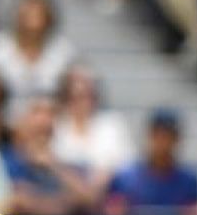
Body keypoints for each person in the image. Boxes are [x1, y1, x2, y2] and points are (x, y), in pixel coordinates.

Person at [0, 0, 78, 118]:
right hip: (4, 123)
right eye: (27, 14)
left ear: (49, 18)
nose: (32, 20)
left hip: (51, 122)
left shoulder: (63, 51)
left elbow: (73, 92)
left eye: (38, 14)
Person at [4, 97, 96, 215]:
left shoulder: (69, 160)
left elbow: (90, 200)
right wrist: (67, 204)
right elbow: (18, 202)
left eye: (51, 114)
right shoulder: (7, 161)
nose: (44, 120)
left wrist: (53, 165)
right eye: (37, 112)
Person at [105, 108, 197, 215]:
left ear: (177, 140)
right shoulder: (125, 179)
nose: (163, 142)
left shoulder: (189, 181)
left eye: (168, 136)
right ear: (149, 136)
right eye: (158, 135)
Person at [51, 65, 136, 195]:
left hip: (109, 197)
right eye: (76, 96)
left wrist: (104, 175)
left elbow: (128, 164)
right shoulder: (54, 126)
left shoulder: (113, 124)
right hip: (63, 198)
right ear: (65, 97)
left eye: (89, 95)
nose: (84, 102)